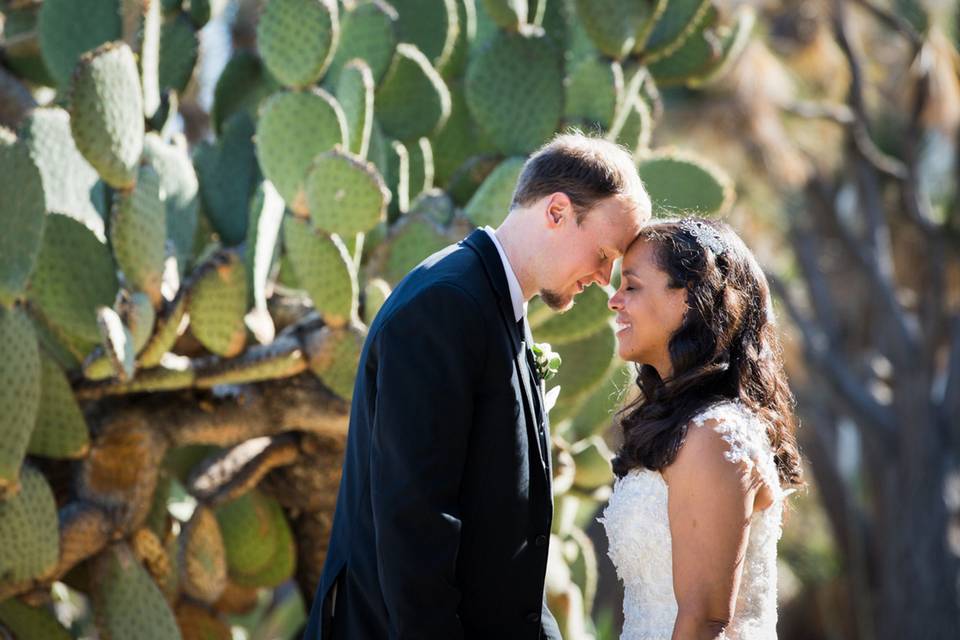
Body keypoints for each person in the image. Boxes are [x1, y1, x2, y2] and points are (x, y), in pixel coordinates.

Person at [303, 132, 650, 640]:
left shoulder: (494, 304)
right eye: (603, 253)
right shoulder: (445, 305)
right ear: (556, 212)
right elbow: (415, 522)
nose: (604, 278)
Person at [601, 218, 804, 640]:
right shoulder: (686, 425)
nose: (614, 301)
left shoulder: (715, 434)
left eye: (632, 286)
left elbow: (705, 621)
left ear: (689, 299)